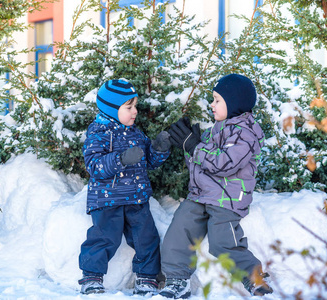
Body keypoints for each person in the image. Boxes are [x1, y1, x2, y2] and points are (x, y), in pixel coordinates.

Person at [159, 74, 273, 299]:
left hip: (227, 199)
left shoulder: (245, 134)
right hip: (201, 195)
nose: (211, 104)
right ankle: (176, 280)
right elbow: (200, 165)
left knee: (224, 242)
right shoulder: (214, 131)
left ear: (234, 103)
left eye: (217, 100)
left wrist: (195, 147)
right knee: (180, 229)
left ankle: (254, 277)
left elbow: (223, 164)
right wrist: (188, 145)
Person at [78, 79, 171, 295]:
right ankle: (91, 277)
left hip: (136, 198)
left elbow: (148, 160)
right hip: (107, 199)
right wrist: (120, 159)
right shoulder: (98, 134)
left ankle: (147, 278)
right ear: (112, 109)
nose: (135, 112)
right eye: (129, 107)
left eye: (135, 106)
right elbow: (94, 167)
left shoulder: (135, 133)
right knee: (103, 237)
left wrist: (159, 149)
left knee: (146, 236)